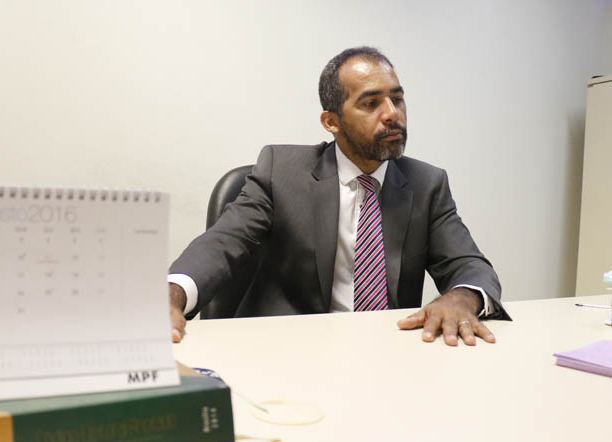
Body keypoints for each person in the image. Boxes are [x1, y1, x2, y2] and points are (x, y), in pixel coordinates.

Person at [168, 46, 510, 346]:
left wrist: (462, 298)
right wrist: (171, 295)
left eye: (397, 99)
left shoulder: (426, 184)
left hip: (390, 354)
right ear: (331, 121)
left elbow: (469, 265)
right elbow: (222, 244)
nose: (392, 114)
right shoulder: (281, 172)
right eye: (371, 103)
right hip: (289, 352)